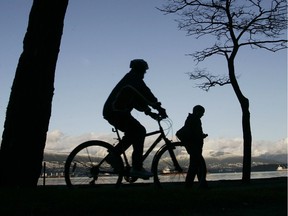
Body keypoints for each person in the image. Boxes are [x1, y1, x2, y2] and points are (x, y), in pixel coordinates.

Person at [103, 59, 167, 179]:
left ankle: (114, 156)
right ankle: (136, 167)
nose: (144, 74)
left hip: (117, 112)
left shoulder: (131, 81)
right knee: (140, 131)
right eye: (144, 71)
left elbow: (137, 101)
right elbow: (146, 94)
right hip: (115, 111)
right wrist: (159, 108)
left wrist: (150, 113)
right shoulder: (134, 79)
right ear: (140, 69)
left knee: (133, 133)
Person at [176, 105, 208, 188]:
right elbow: (193, 133)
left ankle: (200, 183)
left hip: (194, 144)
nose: (203, 115)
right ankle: (190, 185)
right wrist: (201, 136)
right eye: (202, 112)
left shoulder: (192, 119)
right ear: (197, 112)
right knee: (195, 165)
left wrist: (200, 136)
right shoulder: (194, 120)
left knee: (196, 165)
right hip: (194, 145)